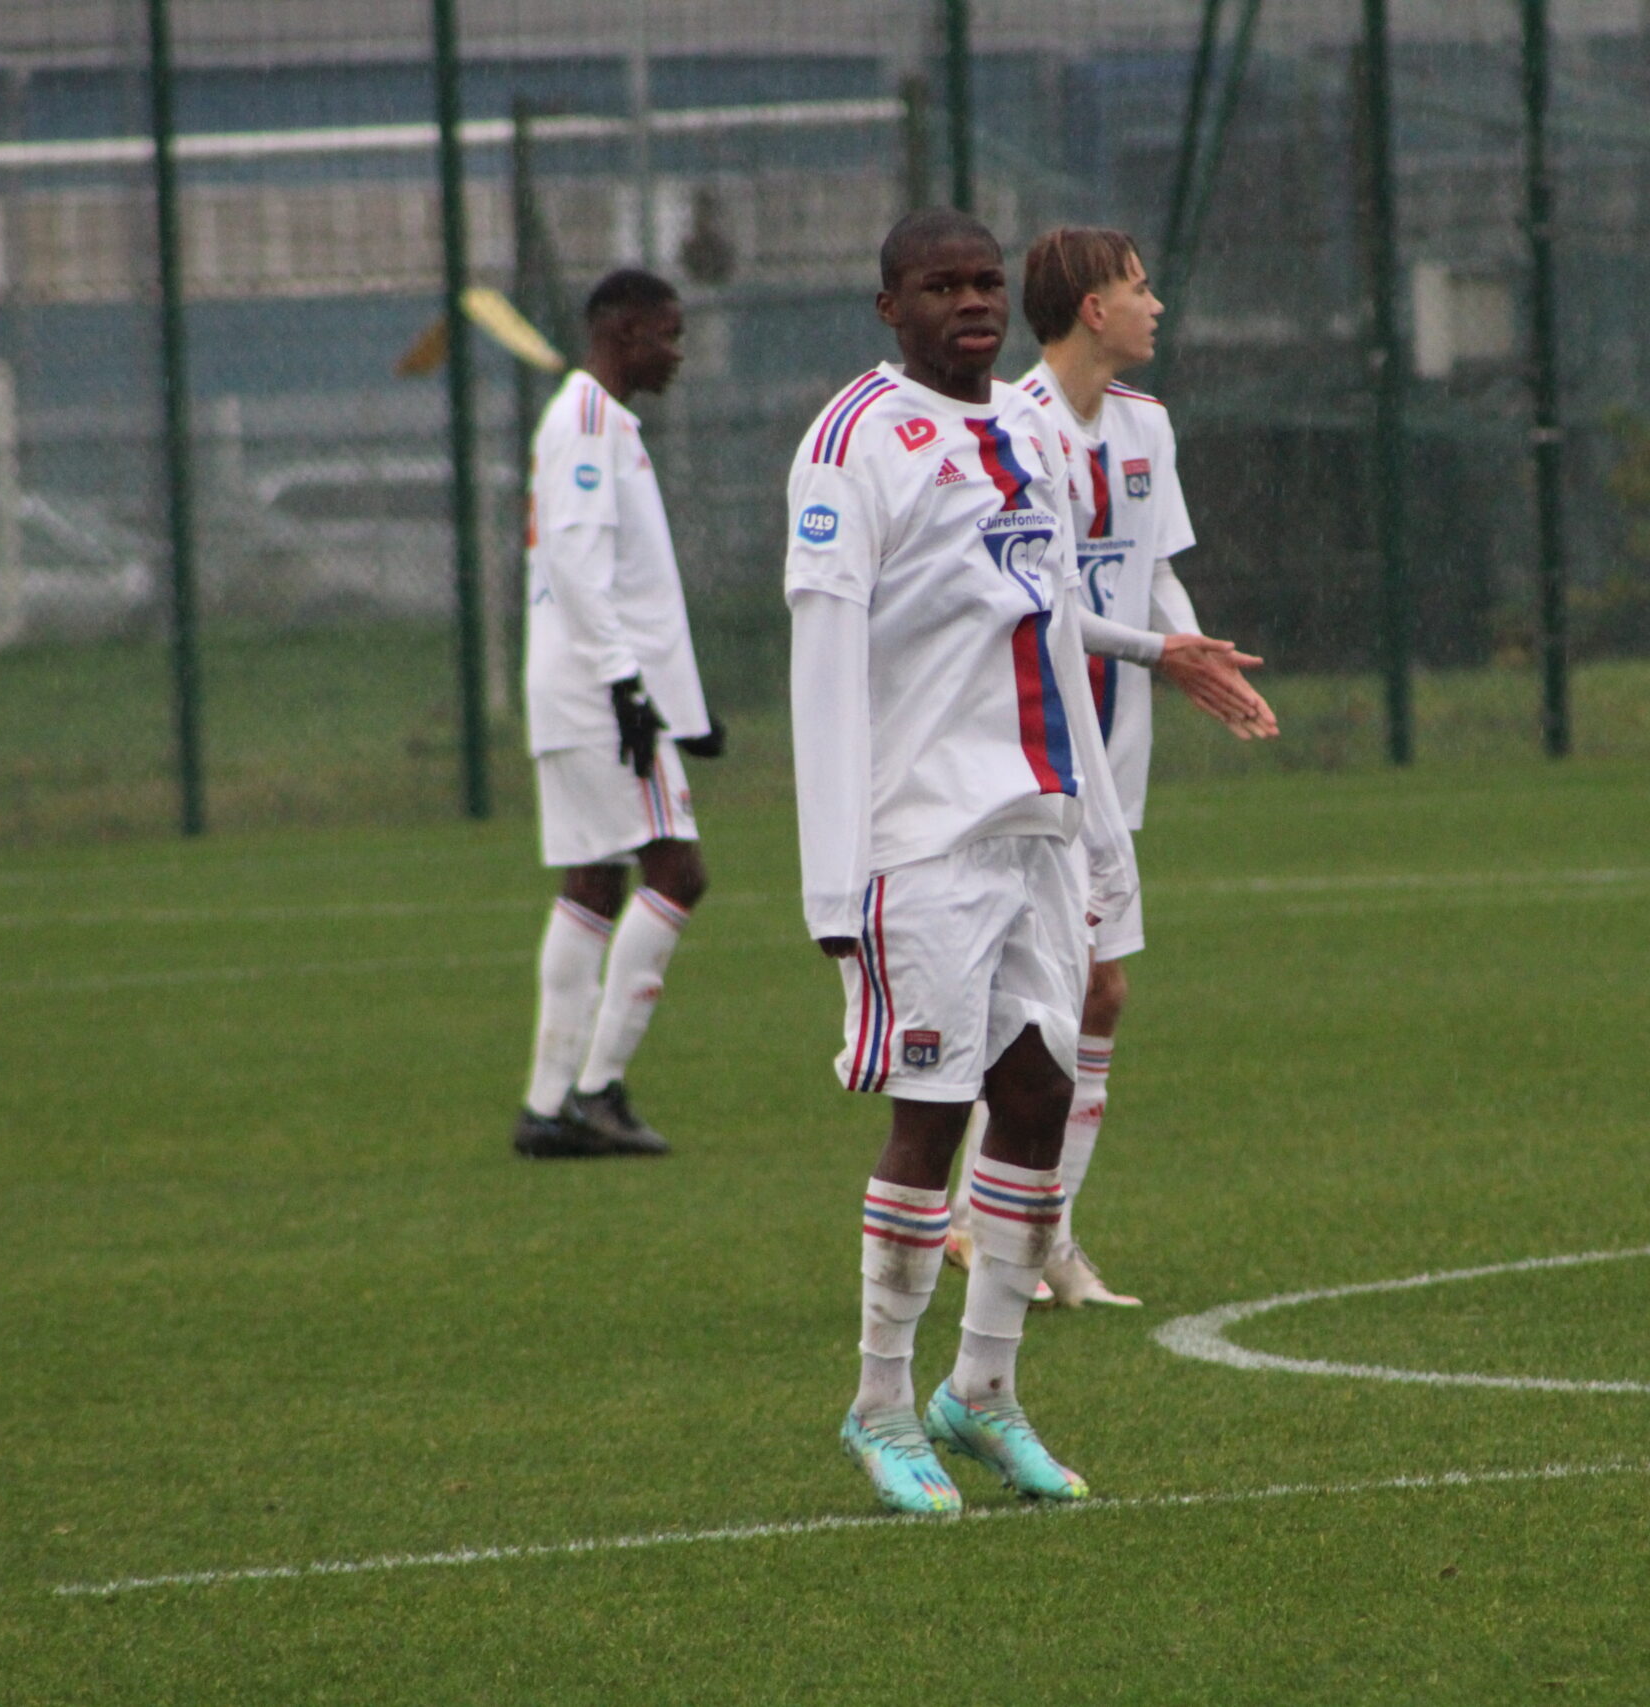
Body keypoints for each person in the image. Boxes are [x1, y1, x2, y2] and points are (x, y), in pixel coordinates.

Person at [785, 209, 1139, 1515]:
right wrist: (836, 885)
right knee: (928, 1116)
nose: (973, 303)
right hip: (919, 835)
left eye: (986, 283)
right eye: (943, 286)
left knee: (1038, 1096)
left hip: (1036, 823)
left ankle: (981, 1389)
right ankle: (881, 1403)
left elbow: (1037, 610)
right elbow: (823, 655)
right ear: (891, 305)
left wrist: (1147, 668)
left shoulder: (1032, 425)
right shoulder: (853, 440)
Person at [942, 226, 1277, 1307]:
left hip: (1108, 755)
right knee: (1068, 997)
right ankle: (1015, 1233)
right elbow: (1042, 606)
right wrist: (1159, 651)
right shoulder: (1011, 431)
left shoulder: (1146, 427)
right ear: (1091, 309)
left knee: (1089, 1001)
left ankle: (1023, 1232)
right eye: (1138, 288)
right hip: (1029, 749)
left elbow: (1151, 575)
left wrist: (1198, 652)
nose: (1155, 306)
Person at [512, 267, 724, 1161]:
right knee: (677, 873)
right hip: (603, 696)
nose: (678, 352)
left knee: (594, 885)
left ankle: (547, 1105)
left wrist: (688, 708)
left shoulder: (585, 419)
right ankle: (595, 1089)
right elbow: (577, 564)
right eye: (669, 334)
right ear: (625, 333)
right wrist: (633, 694)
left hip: (579, 688)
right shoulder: (592, 423)